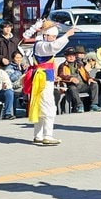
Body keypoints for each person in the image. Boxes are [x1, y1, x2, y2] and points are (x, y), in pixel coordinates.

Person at [23, 18, 68, 146]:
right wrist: (67, 36)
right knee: (49, 106)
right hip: (42, 78)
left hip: (43, 77)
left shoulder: (39, 42)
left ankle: (38, 135)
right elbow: (53, 47)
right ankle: (48, 135)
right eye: (52, 36)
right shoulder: (42, 45)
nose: (54, 38)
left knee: (40, 105)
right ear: (46, 35)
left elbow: (27, 35)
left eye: (55, 36)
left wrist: (37, 26)